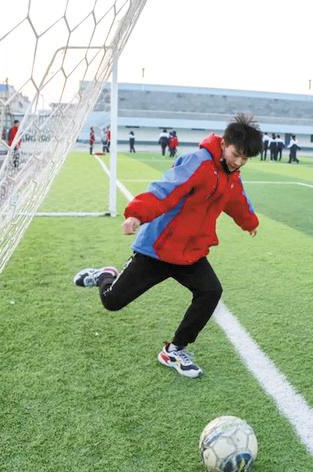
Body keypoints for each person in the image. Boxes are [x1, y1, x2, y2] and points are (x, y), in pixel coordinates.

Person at [73, 114, 263, 379]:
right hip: (159, 249)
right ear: (224, 144)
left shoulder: (231, 176)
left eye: (245, 159)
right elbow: (164, 190)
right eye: (236, 155)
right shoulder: (198, 163)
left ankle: (174, 350)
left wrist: (249, 222)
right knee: (112, 302)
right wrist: (136, 215)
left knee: (211, 291)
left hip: (191, 253)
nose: (239, 162)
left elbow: (237, 201)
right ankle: (105, 275)